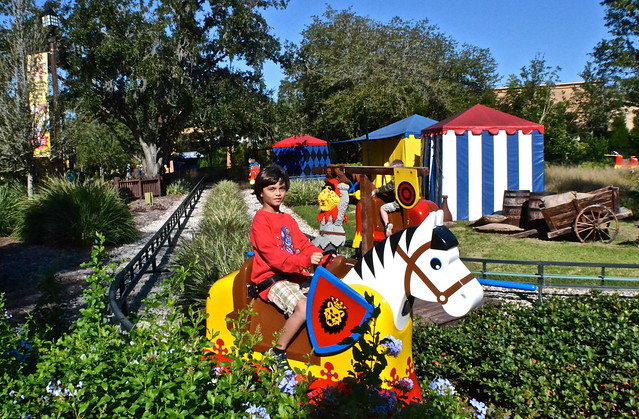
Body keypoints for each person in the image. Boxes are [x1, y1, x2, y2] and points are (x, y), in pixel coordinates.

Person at [250, 164, 323, 371]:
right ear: (261, 193)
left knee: (328, 293)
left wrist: (321, 257)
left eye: (281, 188)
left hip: (293, 274)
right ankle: (277, 352)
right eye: (272, 189)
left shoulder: (287, 219)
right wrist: (305, 262)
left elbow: (302, 245)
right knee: (304, 306)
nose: (278, 193)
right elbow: (273, 257)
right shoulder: (260, 220)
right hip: (271, 279)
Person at [371, 159, 404, 237]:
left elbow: (387, 188)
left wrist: (376, 191)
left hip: (399, 203)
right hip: (407, 201)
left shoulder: (397, 178)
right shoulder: (406, 176)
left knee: (383, 208)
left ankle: (387, 225)